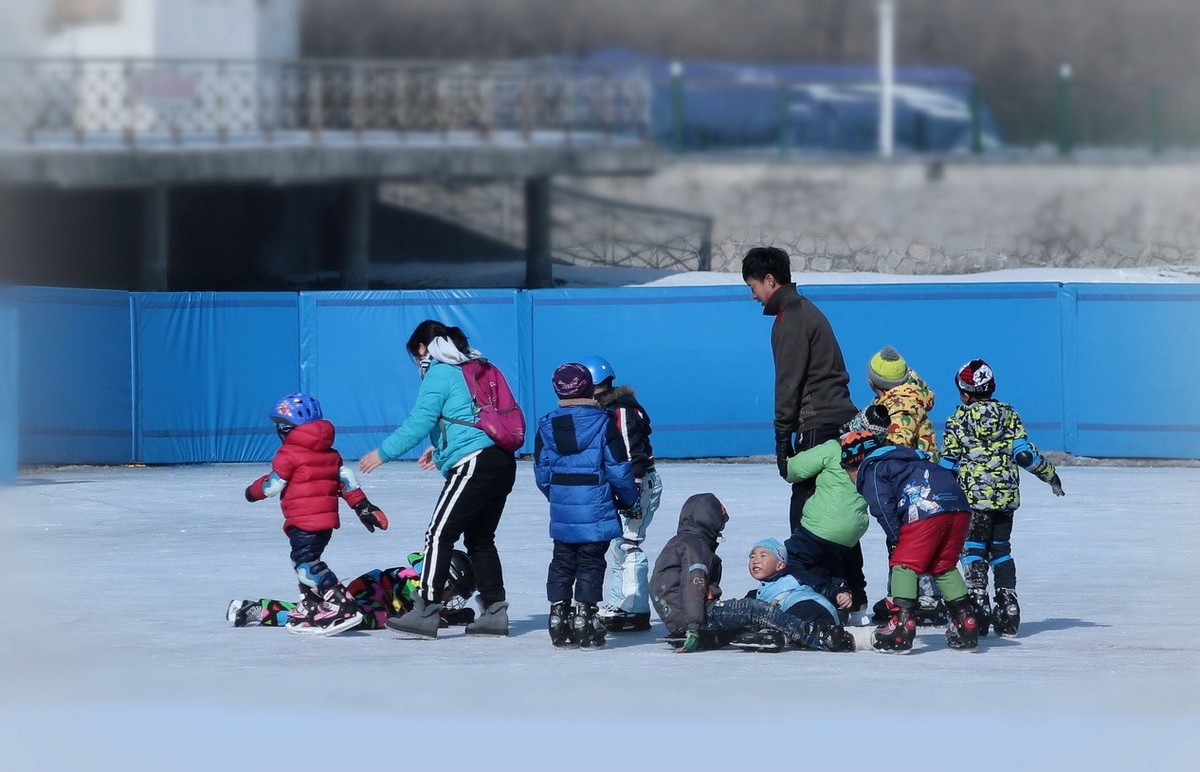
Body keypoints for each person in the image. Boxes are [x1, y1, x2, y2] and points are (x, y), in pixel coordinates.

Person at [359, 320, 517, 639]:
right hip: (500, 461)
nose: (418, 362)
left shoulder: (441, 371)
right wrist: (440, 447)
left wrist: (383, 453)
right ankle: (495, 613)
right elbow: (470, 417)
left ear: (422, 348)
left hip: (473, 463)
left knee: (438, 534)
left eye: (415, 355)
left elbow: (420, 422)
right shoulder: (471, 364)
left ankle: (426, 610)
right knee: (480, 539)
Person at [741, 246, 864, 610]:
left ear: (769, 279)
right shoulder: (808, 310)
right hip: (841, 423)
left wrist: (782, 438)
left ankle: (818, 599)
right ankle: (852, 595)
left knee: (808, 520)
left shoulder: (790, 318)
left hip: (817, 425)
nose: (752, 295)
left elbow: (788, 382)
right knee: (837, 511)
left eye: (753, 286)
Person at [244, 392, 389, 636]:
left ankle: (340, 602)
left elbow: (273, 485)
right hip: (325, 524)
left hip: (302, 520)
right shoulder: (330, 453)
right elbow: (346, 482)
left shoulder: (288, 454)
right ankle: (312, 603)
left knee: (306, 564)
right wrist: (364, 507)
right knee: (302, 559)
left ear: (287, 429)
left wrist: (253, 491)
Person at [941, 358, 1066, 637]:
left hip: (973, 500)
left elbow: (948, 462)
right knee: (1000, 550)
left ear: (964, 393)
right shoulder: (1009, 414)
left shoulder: (959, 420)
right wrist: (1050, 475)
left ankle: (977, 602)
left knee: (973, 549)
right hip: (1005, 499)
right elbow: (1024, 454)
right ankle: (1008, 603)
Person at [650, 493, 851, 653]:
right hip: (694, 615)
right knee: (754, 610)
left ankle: (713, 637)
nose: (721, 531)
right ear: (709, 520)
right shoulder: (696, 546)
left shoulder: (678, 543)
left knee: (741, 618)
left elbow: (657, 585)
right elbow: (693, 584)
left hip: (678, 617)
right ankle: (815, 634)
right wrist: (693, 626)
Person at [840, 430, 980, 653]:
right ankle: (966, 621)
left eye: (846, 470)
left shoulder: (872, 467)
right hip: (959, 506)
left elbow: (882, 507)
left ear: (854, 463)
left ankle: (901, 625)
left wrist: (897, 539)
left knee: (903, 564)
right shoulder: (909, 459)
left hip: (924, 507)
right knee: (942, 565)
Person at [534, 363, 640, 648]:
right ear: (588, 388)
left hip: (563, 509)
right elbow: (619, 469)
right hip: (596, 508)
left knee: (562, 560)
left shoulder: (546, 425)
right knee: (591, 562)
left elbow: (542, 473)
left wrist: (558, 497)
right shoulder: (603, 423)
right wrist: (630, 499)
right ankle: (585, 615)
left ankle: (558, 613)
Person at [580, 354, 663, 633]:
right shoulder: (606, 408)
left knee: (628, 543)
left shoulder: (621, 410)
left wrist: (634, 487)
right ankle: (621, 604)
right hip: (624, 484)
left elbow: (630, 451)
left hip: (637, 483)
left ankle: (633, 609)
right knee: (619, 544)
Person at [864, 346, 945, 626]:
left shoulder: (898, 405)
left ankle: (917, 598)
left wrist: (876, 449)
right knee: (919, 536)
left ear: (873, 382)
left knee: (906, 538)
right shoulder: (912, 392)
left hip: (911, 480)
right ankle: (909, 594)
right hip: (925, 475)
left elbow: (897, 444)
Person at [227, 550, 477, 630]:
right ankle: (259, 610)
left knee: (360, 618)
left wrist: (444, 616)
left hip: (381, 598)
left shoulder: (424, 585)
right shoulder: (414, 580)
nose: (450, 598)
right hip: (370, 591)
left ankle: (265, 610)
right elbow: (410, 610)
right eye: (451, 591)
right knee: (350, 618)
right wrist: (441, 617)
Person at [782, 433, 871, 625]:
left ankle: (811, 600)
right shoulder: (875, 451)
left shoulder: (834, 447)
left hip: (821, 525)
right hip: (853, 530)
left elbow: (793, 470)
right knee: (839, 562)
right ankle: (856, 605)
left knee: (788, 560)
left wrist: (784, 457)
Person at [732, 538, 855, 652]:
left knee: (787, 616)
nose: (756, 560)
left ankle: (774, 635)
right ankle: (839, 637)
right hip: (804, 623)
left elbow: (820, 585)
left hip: (813, 607)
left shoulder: (794, 575)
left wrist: (839, 593)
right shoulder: (755, 594)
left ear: (780, 565)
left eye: (763, 556)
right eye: (752, 557)